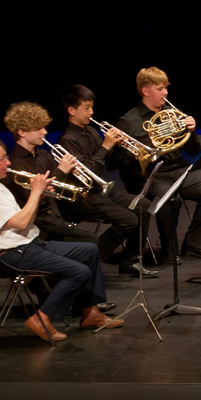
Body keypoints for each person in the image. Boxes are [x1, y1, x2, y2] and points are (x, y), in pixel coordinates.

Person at [0, 139, 122, 341]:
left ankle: (90, 313)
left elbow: (28, 218)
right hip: (14, 254)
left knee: (89, 249)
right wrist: (36, 192)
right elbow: (22, 223)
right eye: (2, 158)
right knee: (79, 271)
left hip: (31, 244)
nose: (8, 162)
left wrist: (38, 196)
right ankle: (41, 318)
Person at [115, 67, 201, 264]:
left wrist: (192, 130)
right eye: (160, 88)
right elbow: (118, 161)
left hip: (178, 169)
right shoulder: (129, 121)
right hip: (149, 175)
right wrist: (147, 147)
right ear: (146, 91)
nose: (166, 93)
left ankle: (194, 244)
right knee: (170, 198)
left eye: (166, 88)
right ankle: (169, 251)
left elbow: (192, 149)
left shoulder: (173, 114)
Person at [3, 101, 116, 267]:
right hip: (36, 224)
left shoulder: (43, 155)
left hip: (55, 216)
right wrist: (62, 170)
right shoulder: (15, 164)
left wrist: (74, 172)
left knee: (90, 242)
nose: (45, 132)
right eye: (39, 129)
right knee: (90, 242)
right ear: (21, 132)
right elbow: (36, 196)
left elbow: (56, 185)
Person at [57, 85, 154, 276]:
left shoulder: (92, 132)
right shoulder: (67, 140)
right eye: (86, 108)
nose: (91, 112)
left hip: (100, 193)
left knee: (142, 205)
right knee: (128, 219)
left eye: (92, 107)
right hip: (82, 198)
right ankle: (89, 258)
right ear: (71, 110)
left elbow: (107, 166)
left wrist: (118, 147)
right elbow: (87, 175)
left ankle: (131, 260)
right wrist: (105, 147)